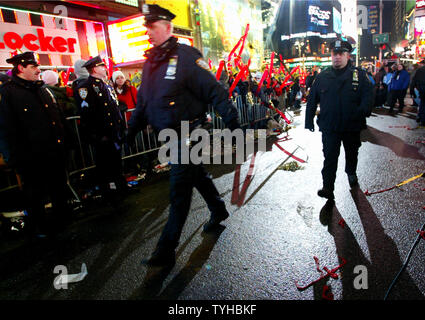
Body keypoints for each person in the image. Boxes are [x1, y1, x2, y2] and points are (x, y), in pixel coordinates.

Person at [127, 4, 241, 266]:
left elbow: (215, 90)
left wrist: (233, 122)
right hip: (170, 136)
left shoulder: (188, 56)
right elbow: (143, 103)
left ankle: (165, 250)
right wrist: (128, 134)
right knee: (195, 175)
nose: (148, 32)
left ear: (167, 28)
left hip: (191, 132)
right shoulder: (150, 64)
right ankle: (218, 208)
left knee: (179, 190)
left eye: (152, 27)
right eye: (147, 28)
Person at [0, 52, 71, 238]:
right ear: (21, 68)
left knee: (58, 188)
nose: (38, 70)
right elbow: (5, 127)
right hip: (30, 157)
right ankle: (40, 229)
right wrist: (12, 158)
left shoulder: (41, 89)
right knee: (35, 195)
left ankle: (61, 222)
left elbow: (57, 117)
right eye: (33, 67)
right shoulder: (8, 92)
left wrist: (65, 141)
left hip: (53, 152)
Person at [305, 40, 373, 203]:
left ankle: (351, 172)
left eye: (341, 54)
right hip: (330, 126)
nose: (337, 57)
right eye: (334, 53)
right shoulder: (322, 76)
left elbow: (368, 95)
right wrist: (309, 120)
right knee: (329, 157)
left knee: (352, 153)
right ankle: (328, 187)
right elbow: (312, 99)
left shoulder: (359, 75)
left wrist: (362, 111)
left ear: (348, 56)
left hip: (351, 125)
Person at [74, 56, 127, 204]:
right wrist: (97, 136)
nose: (105, 68)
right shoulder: (85, 87)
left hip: (113, 132)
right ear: (95, 69)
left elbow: (113, 106)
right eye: (102, 66)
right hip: (102, 135)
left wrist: (121, 126)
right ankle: (108, 193)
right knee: (104, 166)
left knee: (116, 163)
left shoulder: (106, 85)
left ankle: (121, 189)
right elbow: (87, 114)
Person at [409, 59, 425, 127]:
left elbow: (414, 81)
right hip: (422, 89)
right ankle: (422, 119)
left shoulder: (419, 70)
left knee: (422, 103)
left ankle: (420, 117)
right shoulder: (420, 70)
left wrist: (412, 90)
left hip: (421, 90)